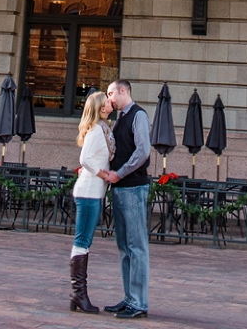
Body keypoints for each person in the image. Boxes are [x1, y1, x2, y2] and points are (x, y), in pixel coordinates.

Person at [102, 79, 152, 320]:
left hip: (133, 188)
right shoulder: (121, 118)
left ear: (124, 91)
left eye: (111, 92)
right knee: (124, 246)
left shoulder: (138, 116)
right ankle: (130, 297)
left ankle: (139, 302)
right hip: (120, 188)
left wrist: (119, 173)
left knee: (136, 246)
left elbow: (143, 151)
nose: (109, 98)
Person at [70, 90, 116, 314]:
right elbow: (84, 159)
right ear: (101, 107)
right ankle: (78, 293)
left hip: (93, 191)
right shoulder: (97, 130)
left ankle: (77, 295)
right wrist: (104, 174)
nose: (111, 101)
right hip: (88, 191)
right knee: (82, 241)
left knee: (84, 241)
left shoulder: (103, 128)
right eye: (107, 100)